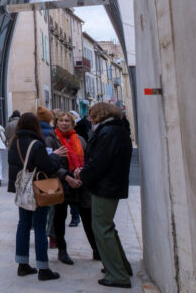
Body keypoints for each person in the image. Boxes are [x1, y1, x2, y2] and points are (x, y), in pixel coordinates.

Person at [75, 102, 134, 289]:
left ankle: (117, 275)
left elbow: (99, 161)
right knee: (107, 226)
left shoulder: (108, 132)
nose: (90, 119)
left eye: (92, 116)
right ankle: (120, 266)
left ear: (99, 115)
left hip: (105, 186)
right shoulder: (117, 130)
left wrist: (83, 174)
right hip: (110, 185)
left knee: (101, 228)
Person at [8, 112, 65, 281]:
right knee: (40, 227)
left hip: (22, 189)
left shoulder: (15, 141)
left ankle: (22, 264)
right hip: (37, 189)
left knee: (23, 225)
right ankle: (43, 268)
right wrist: (55, 156)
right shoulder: (37, 144)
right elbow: (47, 167)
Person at [45, 111, 99, 265]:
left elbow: (87, 159)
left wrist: (81, 173)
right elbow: (49, 163)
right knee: (59, 218)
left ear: (72, 123)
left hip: (80, 183)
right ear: (56, 123)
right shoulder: (51, 140)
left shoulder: (80, 139)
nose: (64, 123)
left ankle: (96, 249)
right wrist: (67, 177)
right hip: (61, 183)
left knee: (87, 217)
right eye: (61, 120)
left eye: (67, 121)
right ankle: (62, 250)